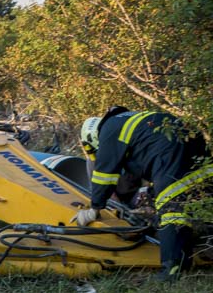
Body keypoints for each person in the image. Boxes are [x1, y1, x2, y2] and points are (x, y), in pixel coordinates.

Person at [73, 107, 212, 279]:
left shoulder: (108, 131)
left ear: (93, 138)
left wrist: (94, 208)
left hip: (170, 155)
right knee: (202, 197)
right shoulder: (128, 121)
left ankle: (172, 269)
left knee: (170, 209)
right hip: (195, 147)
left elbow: (104, 176)